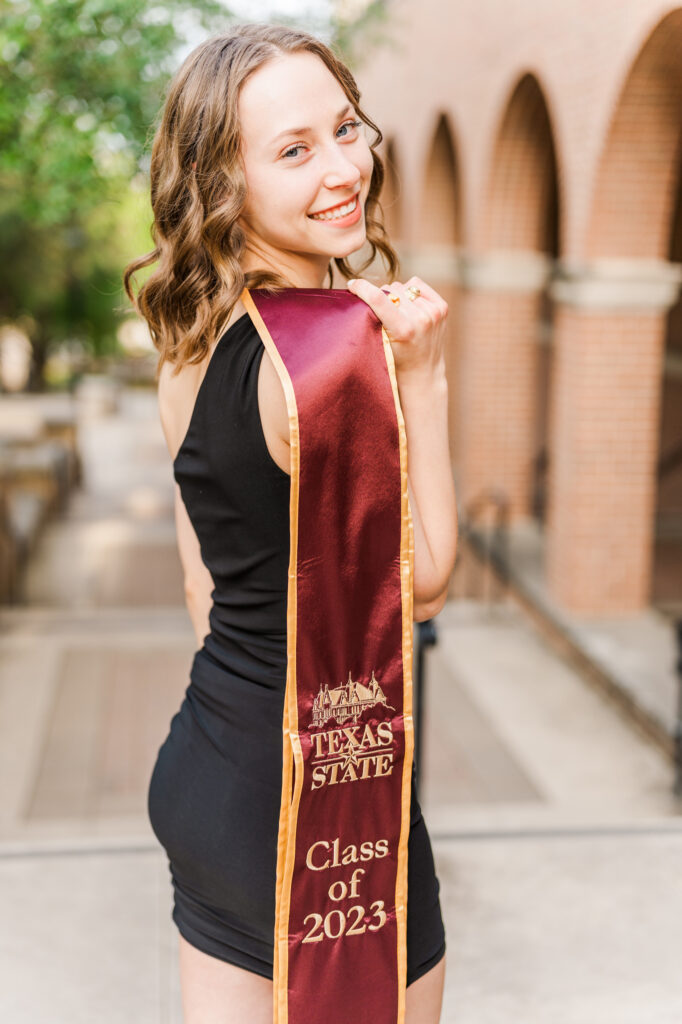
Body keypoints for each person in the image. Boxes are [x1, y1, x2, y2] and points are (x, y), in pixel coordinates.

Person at [123, 22, 457, 1024]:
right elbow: (428, 578)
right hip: (310, 798)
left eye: (345, 129)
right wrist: (427, 380)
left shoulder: (191, 336)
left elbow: (203, 584)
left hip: (211, 762)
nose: (343, 168)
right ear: (227, 186)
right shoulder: (335, 353)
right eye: (293, 151)